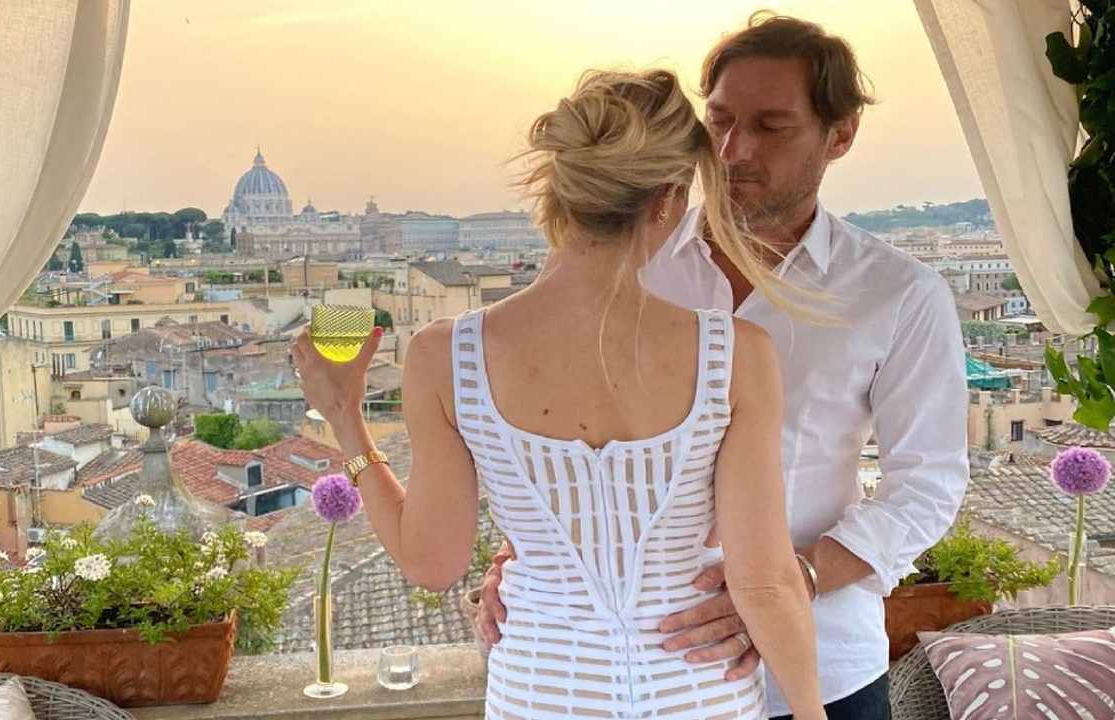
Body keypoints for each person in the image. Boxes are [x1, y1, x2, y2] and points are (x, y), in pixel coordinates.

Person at [477, 14, 969, 720]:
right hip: (646, 680)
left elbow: (927, 485)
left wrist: (793, 580)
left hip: (824, 666)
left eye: (771, 126)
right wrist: (520, 557)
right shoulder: (625, 267)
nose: (734, 151)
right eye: (720, 121)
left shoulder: (899, 294)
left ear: (840, 134)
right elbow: (569, 434)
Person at [293, 69, 826, 719]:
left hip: (541, 694)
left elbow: (433, 562)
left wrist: (346, 417)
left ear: (559, 191)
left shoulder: (446, 356)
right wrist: (810, 711)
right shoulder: (735, 354)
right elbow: (764, 582)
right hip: (697, 694)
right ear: (666, 200)